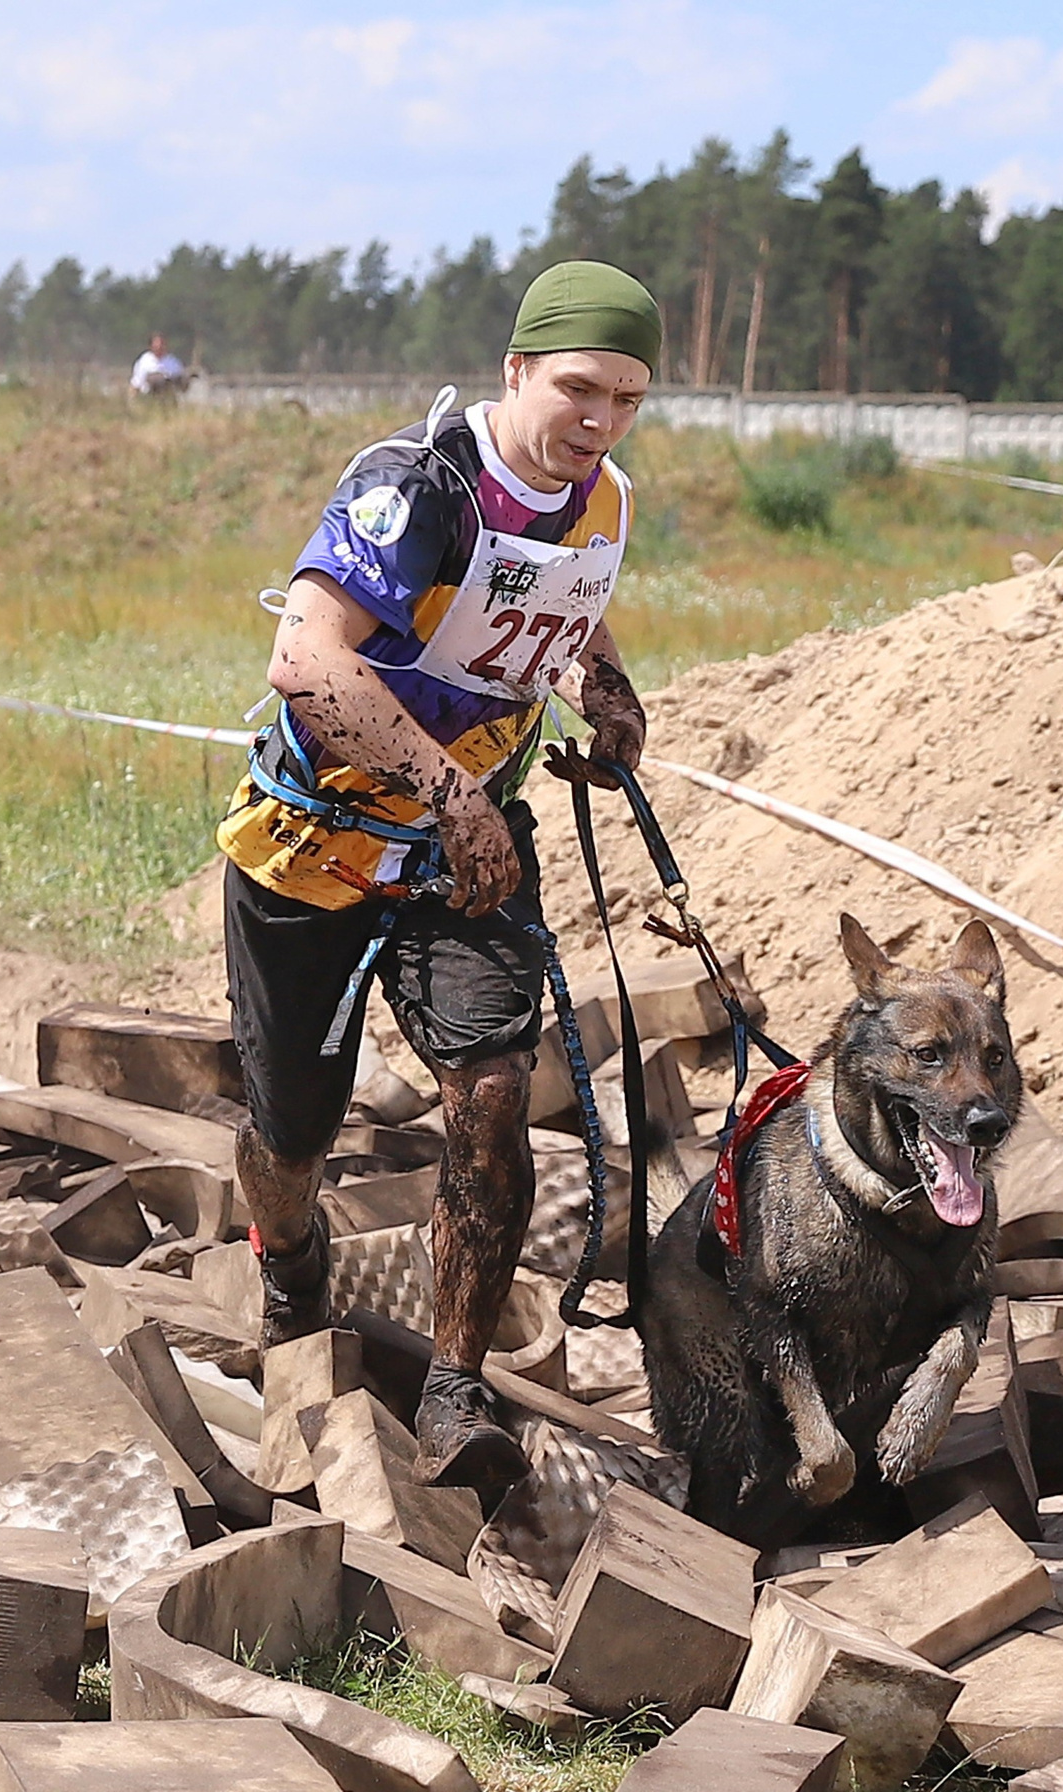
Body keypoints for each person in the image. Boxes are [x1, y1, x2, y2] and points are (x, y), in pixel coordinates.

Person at [216, 260, 659, 1486]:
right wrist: (451, 790)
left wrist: (603, 688)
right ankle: (286, 1254)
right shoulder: (415, 489)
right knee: (293, 1127)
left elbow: (561, 606)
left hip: (465, 855)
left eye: (627, 399)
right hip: (314, 845)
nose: (599, 422)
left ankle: (458, 1392)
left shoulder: (602, 498)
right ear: (518, 369)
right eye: (578, 388)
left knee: (488, 1096)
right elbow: (306, 659)